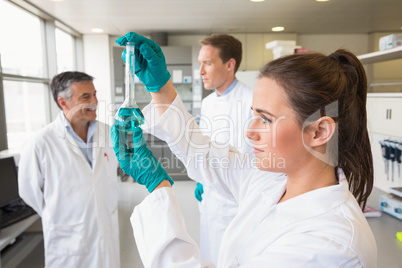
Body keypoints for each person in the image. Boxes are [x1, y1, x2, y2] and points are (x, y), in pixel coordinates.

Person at [114, 32, 377, 267]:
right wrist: (160, 87)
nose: (249, 131)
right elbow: (203, 152)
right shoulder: (271, 180)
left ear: (319, 132)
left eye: (266, 119)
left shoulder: (330, 244)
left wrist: (159, 186)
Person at [18, 71, 121, 267]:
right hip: (67, 243)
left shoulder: (108, 134)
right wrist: (58, 215)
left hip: (106, 234)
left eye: (94, 94)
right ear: (63, 103)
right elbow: (29, 192)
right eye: (85, 97)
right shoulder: (40, 143)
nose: (95, 101)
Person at [195, 33, 254, 264]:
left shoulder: (252, 101)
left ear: (230, 65)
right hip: (210, 202)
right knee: (211, 257)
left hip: (239, 205)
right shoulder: (207, 103)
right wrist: (201, 178)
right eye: (200, 63)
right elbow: (205, 147)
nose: (200, 71)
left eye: (207, 63)